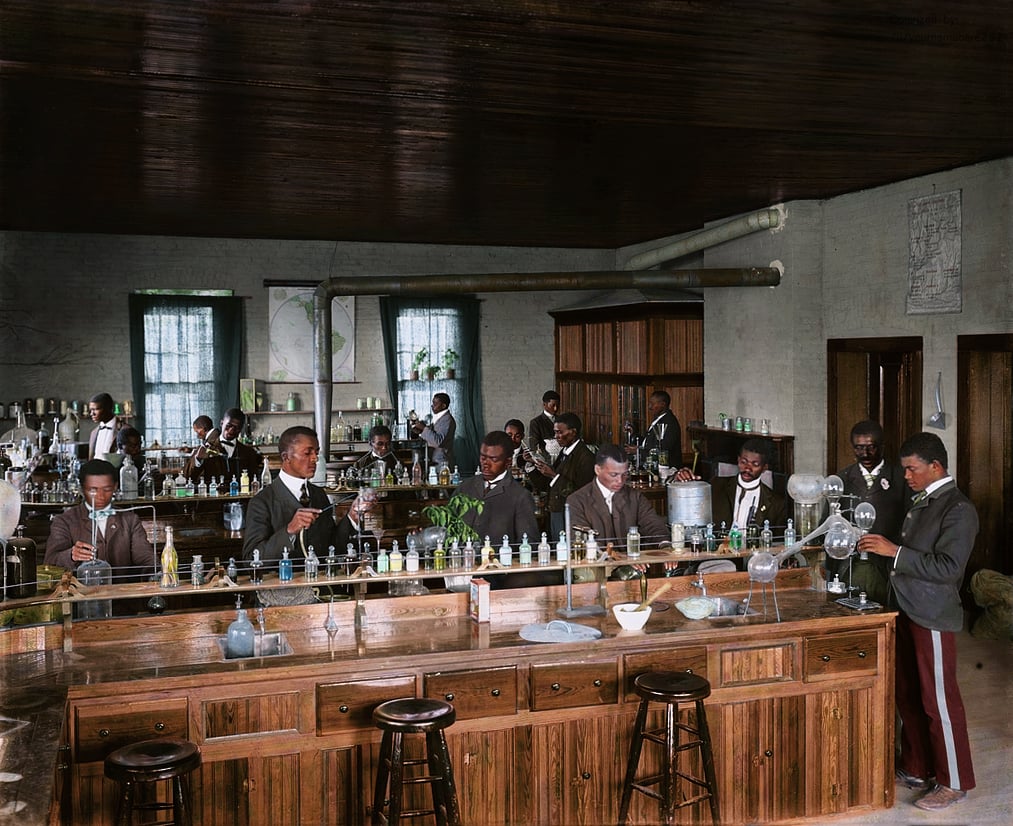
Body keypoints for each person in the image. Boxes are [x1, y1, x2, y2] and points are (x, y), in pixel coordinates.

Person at [857, 432, 977, 812]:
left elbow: (947, 568)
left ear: (935, 467)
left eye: (912, 469)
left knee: (939, 701)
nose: (906, 475)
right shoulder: (923, 501)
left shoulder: (958, 509)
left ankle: (954, 781)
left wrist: (895, 551)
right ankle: (916, 768)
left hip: (933, 614)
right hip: (906, 609)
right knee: (907, 694)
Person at [243, 426, 372, 564]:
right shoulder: (262, 502)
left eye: (316, 453)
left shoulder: (318, 493)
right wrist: (289, 530)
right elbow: (251, 559)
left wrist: (352, 515)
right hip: (286, 583)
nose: (315, 459)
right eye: (307, 453)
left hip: (321, 582)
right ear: (286, 457)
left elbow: (333, 547)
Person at [831, 420, 908, 603]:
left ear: (882, 446)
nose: (864, 453)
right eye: (858, 448)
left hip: (887, 567)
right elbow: (829, 523)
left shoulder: (901, 478)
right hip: (849, 565)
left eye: (871, 447)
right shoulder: (842, 478)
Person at [45, 459, 154, 579]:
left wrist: (155, 576)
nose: (101, 496)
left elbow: (146, 559)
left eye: (107, 489)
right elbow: (50, 562)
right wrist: (71, 555)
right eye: (93, 490)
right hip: (81, 594)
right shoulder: (65, 521)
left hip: (121, 593)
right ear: (82, 488)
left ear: (115, 486)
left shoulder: (129, 520)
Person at [566, 443, 670, 547]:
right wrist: (612, 557)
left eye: (625, 474)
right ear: (597, 470)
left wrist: (665, 544)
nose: (620, 481)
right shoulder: (577, 501)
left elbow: (653, 525)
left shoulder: (635, 497)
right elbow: (580, 540)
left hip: (633, 560)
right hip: (598, 562)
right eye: (613, 475)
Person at [676, 437, 788, 531]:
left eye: (755, 464)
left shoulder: (776, 503)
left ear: (764, 468)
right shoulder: (717, 485)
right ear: (738, 460)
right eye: (743, 462)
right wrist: (684, 476)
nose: (747, 468)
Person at [453, 431, 538, 543]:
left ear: (508, 462)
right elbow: (448, 528)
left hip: (501, 559)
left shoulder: (520, 497)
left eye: (493, 459)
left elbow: (528, 545)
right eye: (483, 457)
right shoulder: (464, 488)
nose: (486, 464)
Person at [529, 412, 596, 537]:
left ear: (573, 432)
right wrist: (532, 466)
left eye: (560, 432)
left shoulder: (586, 458)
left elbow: (582, 493)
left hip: (571, 515)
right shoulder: (565, 451)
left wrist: (554, 475)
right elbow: (547, 485)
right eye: (555, 432)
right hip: (556, 511)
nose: (556, 436)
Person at [185, 408, 264, 486]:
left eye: (237, 428)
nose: (231, 430)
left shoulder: (248, 453)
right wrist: (198, 460)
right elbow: (188, 478)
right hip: (214, 497)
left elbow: (254, 481)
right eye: (229, 425)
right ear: (222, 423)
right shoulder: (205, 449)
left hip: (240, 498)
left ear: (241, 430)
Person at [627, 390, 682, 467]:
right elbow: (649, 443)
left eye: (652, 404)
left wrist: (638, 451)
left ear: (663, 404)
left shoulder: (669, 422)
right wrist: (634, 434)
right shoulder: (659, 419)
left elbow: (663, 449)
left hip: (666, 469)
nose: (649, 407)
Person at [412, 392, 456, 470]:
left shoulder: (447, 420)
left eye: (436, 403)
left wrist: (424, 428)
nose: (432, 406)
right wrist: (420, 432)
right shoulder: (439, 418)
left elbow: (438, 441)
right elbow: (432, 435)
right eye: (433, 403)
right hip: (435, 461)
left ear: (443, 406)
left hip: (442, 463)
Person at [87, 392, 122, 459]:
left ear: (108, 408)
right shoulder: (93, 433)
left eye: (95, 409)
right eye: (91, 410)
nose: (92, 414)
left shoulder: (123, 429)